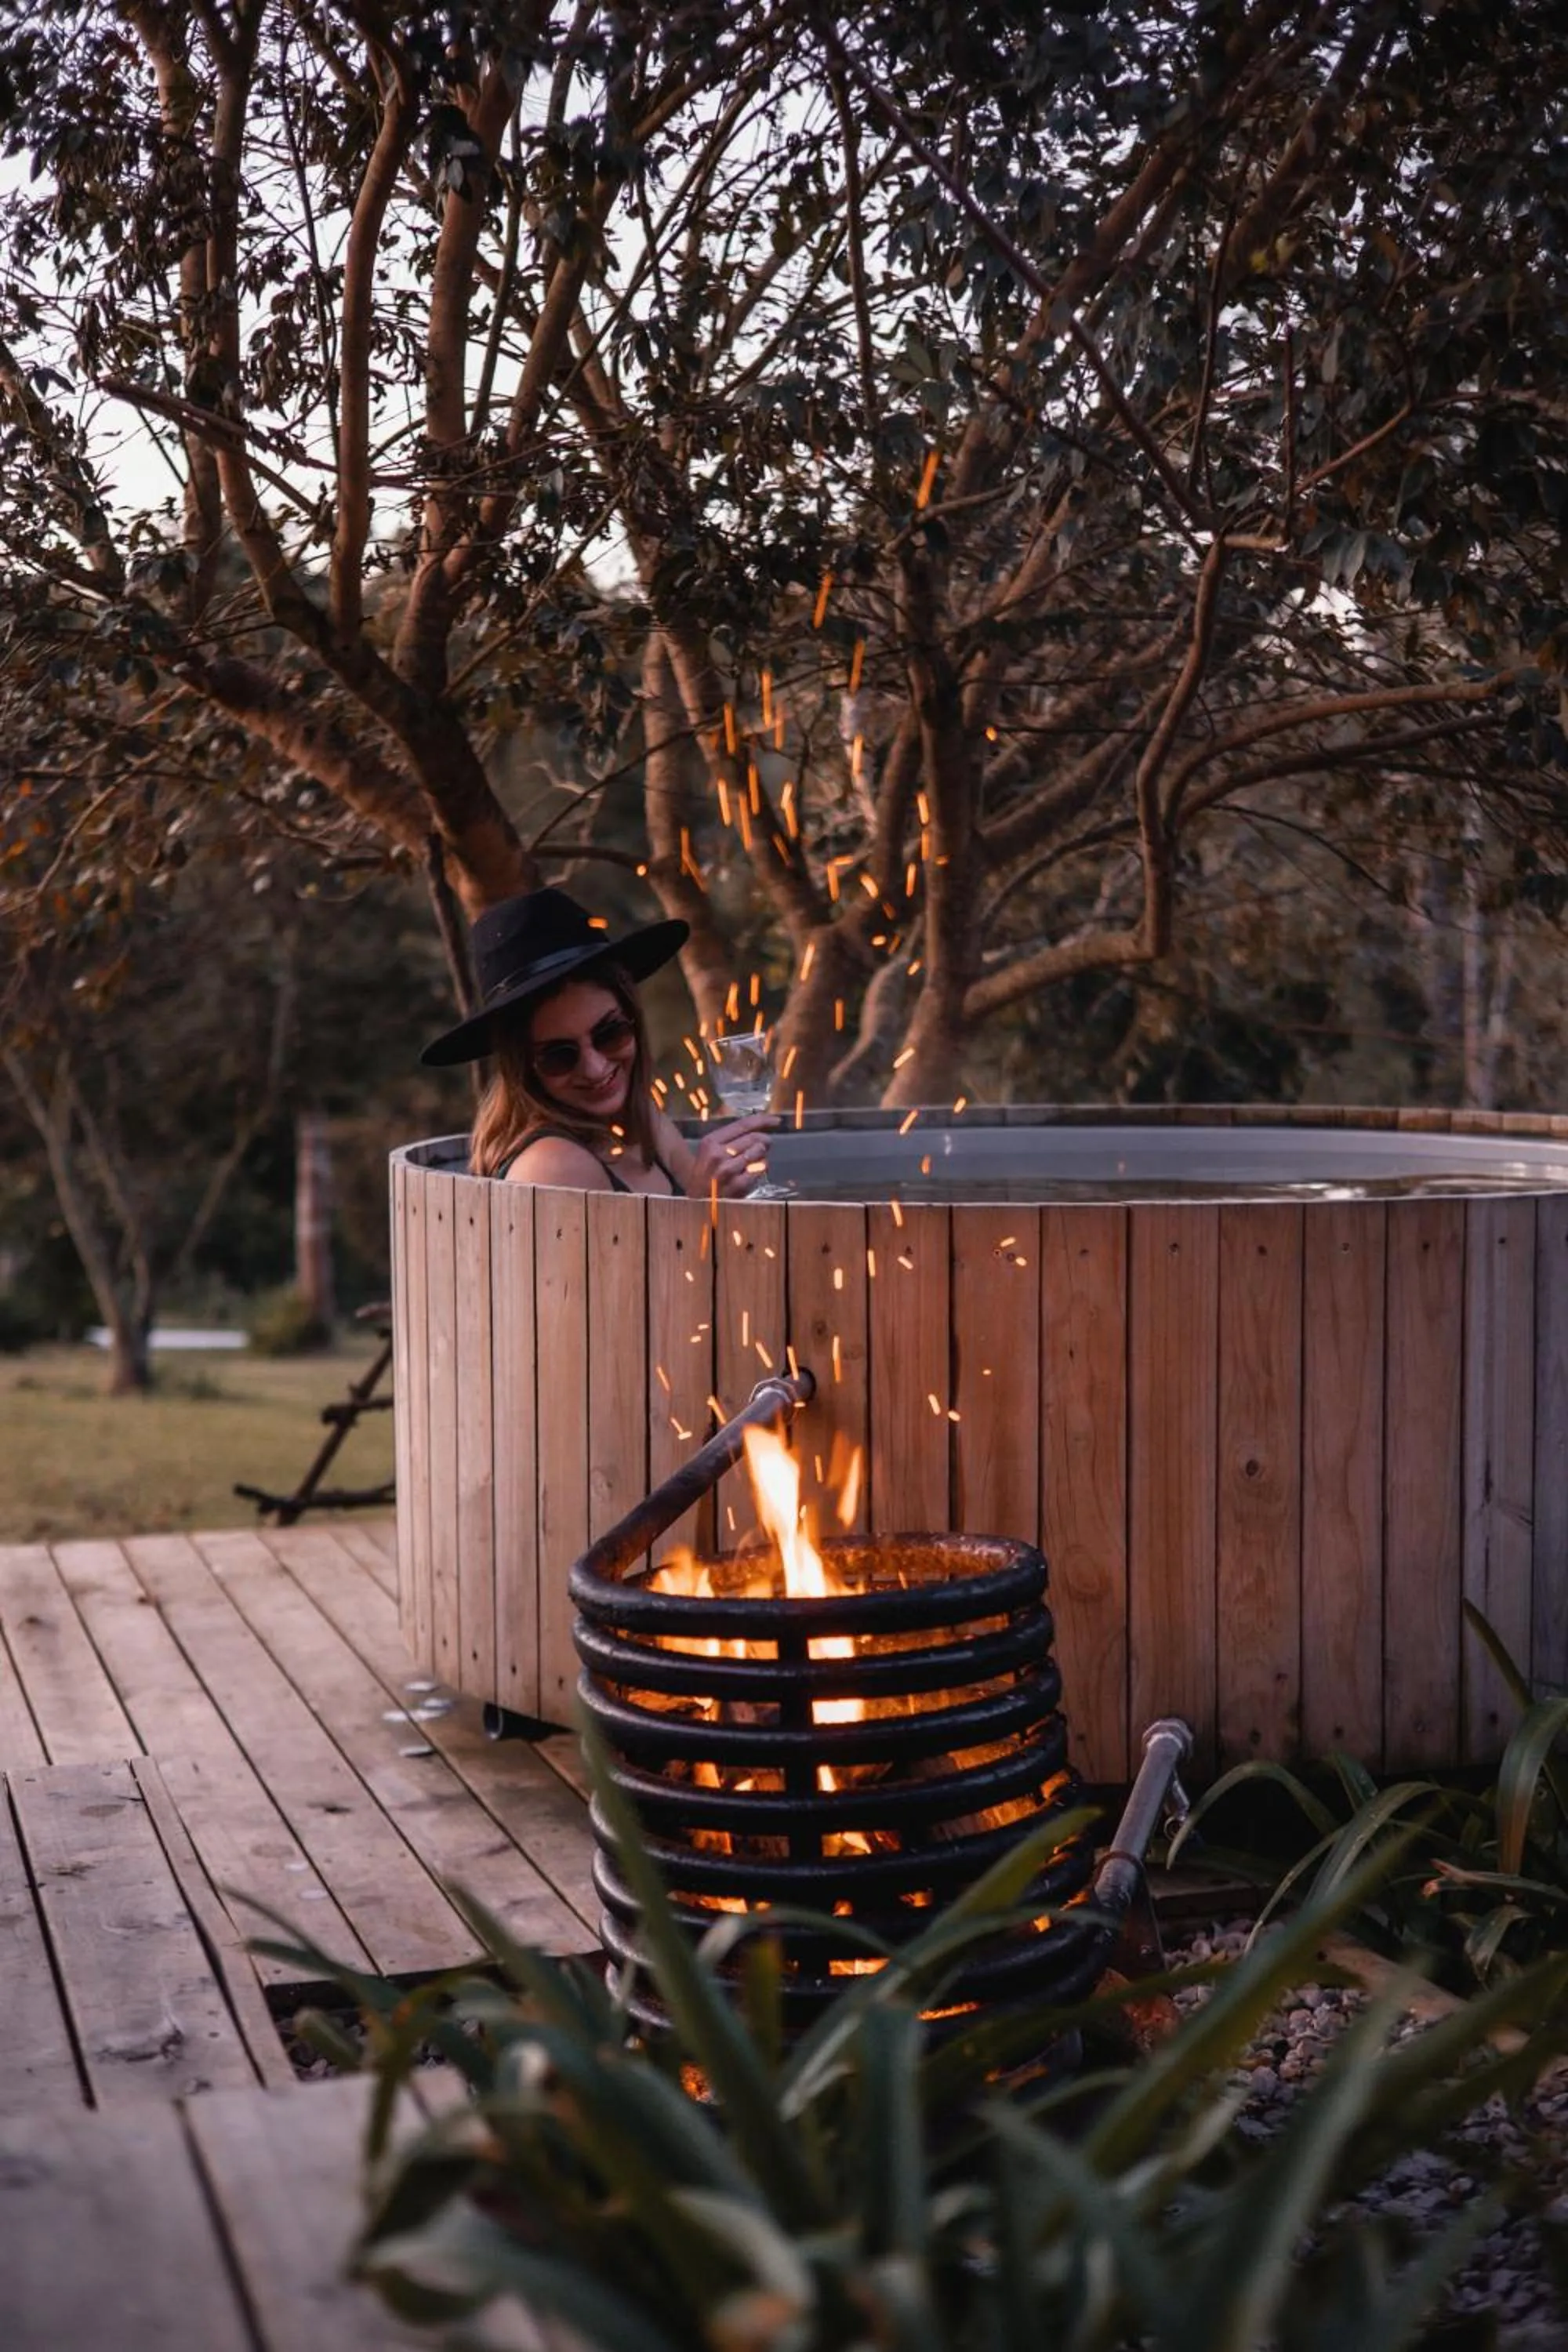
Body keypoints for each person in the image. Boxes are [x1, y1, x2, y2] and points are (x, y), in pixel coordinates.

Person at [421, 887, 774, 1198]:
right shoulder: (553, 1167)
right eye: (560, 1056)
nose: (595, 1068)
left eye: (609, 1034)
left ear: (633, 1018)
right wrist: (703, 1208)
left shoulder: (644, 1123)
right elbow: (614, 1277)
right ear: (524, 1067)